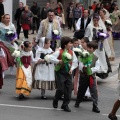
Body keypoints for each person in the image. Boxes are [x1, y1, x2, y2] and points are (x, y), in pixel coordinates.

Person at [49, 37, 78, 112]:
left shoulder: (72, 52)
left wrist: (71, 69)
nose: (71, 44)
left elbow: (75, 62)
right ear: (65, 44)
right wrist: (59, 61)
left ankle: (65, 105)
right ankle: (56, 99)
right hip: (60, 72)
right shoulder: (59, 51)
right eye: (70, 43)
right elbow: (51, 58)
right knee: (61, 89)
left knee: (68, 90)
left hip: (68, 72)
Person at [74, 41, 100, 113]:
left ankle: (95, 106)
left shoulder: (95, 58)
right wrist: (83, 68)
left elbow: (97, 67)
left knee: (94, 91)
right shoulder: (83, 55)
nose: (88, 49)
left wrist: (90, 70)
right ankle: (78, 102)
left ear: (94, 49)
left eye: (90, 48)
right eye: (88, 47)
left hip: (91, 77)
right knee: (81, 90)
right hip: (83, 76)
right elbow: (80, 65)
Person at [84, 13, 112, 78]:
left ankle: (101, 71)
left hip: (100, 46)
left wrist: (103, 38)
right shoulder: (90, 26)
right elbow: (86, 36)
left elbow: (105, 34)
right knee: (94, 58)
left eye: (97, 20)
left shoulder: (101, 27)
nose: (96, 22)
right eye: (94, 20)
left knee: (102, 58)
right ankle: (94, 72)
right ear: (93, 20)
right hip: (93, 46)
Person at [0, 14, 15, 90]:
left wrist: (13, 39)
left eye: (9, 18)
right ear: (3, 19)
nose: (8, 19)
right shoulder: (0, 25)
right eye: (6, 18)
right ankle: (2, 71)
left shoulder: (12, 26)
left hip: (10, 42)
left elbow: (15, 35)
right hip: (2, 42)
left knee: (15, 53)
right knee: (3, 57)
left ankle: (12, 65)